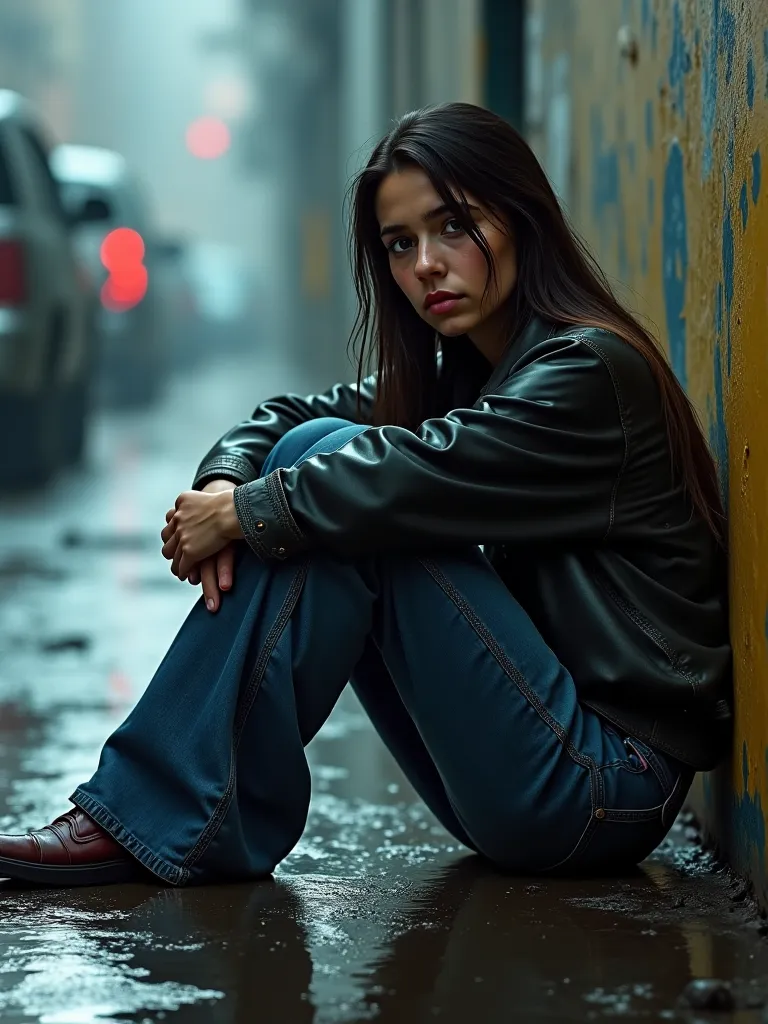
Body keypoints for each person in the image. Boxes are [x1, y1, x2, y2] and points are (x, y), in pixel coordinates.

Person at [0, 102, 731, 887]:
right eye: (400, 244)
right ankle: (179, 809)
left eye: (455, 226)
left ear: (521, 220)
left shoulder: (585, 374)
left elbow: (395, 475)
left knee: (340, 481)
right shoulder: (466, 373)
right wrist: (225, 483)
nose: (426, 265)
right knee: (311, 457)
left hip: (601, 787)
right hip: (529, 767)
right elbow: (290, 419)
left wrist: (244, 516)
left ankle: (168, 809)